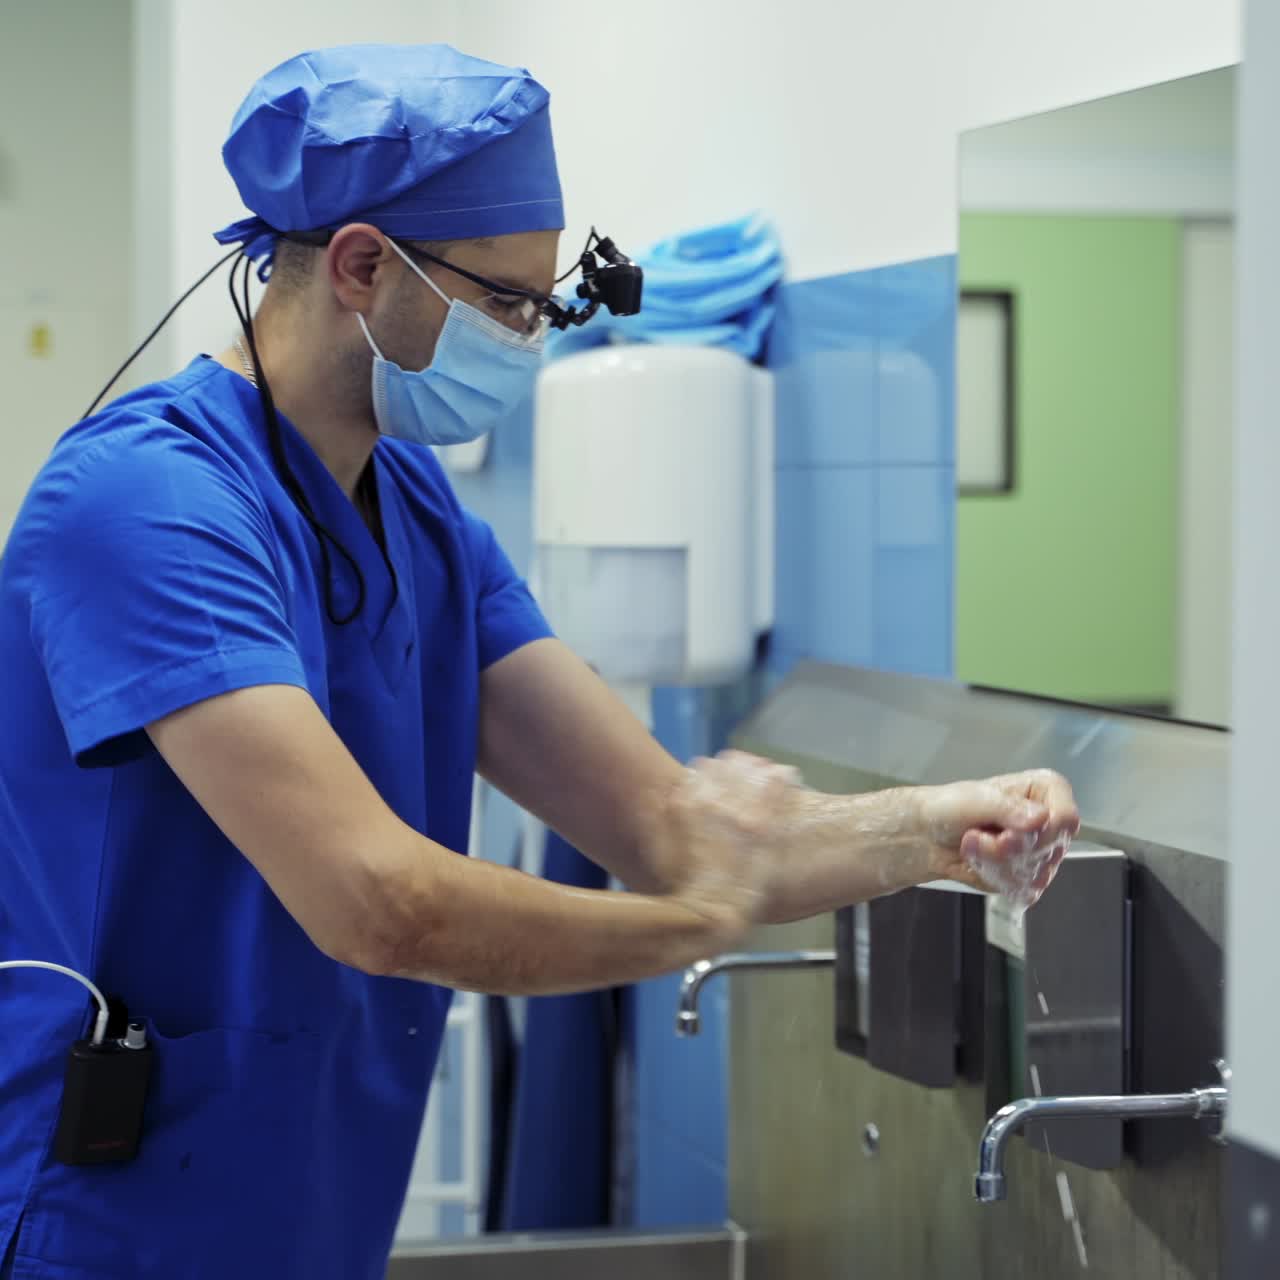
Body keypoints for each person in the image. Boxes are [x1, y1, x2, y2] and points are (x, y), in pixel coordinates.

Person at [0, 43, 1079, 1280]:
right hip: (108, 1220)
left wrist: (937, 825)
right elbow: (381, 899)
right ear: (362, 266)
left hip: (309, 1209)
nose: (530, 338)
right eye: (508, 302)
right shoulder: (147, 505)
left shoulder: (414, 512)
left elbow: (664, 818)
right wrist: (692, 922)